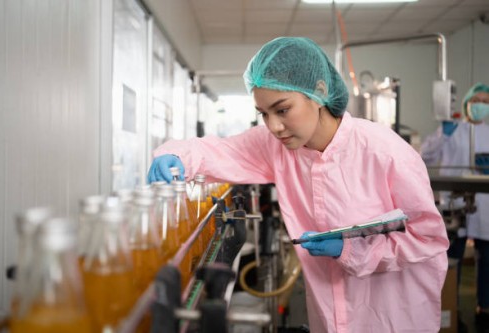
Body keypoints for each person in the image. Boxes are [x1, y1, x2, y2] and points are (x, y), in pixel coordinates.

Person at [147, 37, 449, 332]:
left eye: (282, 109)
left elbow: (427, 238)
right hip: (328, 317)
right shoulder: (277, 147)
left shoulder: (384, 152)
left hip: (393, 317)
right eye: (264, 114)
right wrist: (177, 157)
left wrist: (352, 251)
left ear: (318, 92)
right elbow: (218, 151)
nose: (274, 126)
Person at [421, 83, 489, 333]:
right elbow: (424, 155)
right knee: (451, 260)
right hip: (455, 204)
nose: (481, 104)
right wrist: (444, 134)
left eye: (486, 101)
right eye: (477, 100)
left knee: (487, 259)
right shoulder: (452, 130)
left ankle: (485, 306)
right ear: (467, 103)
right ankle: (451, 304)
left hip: (485, 205)